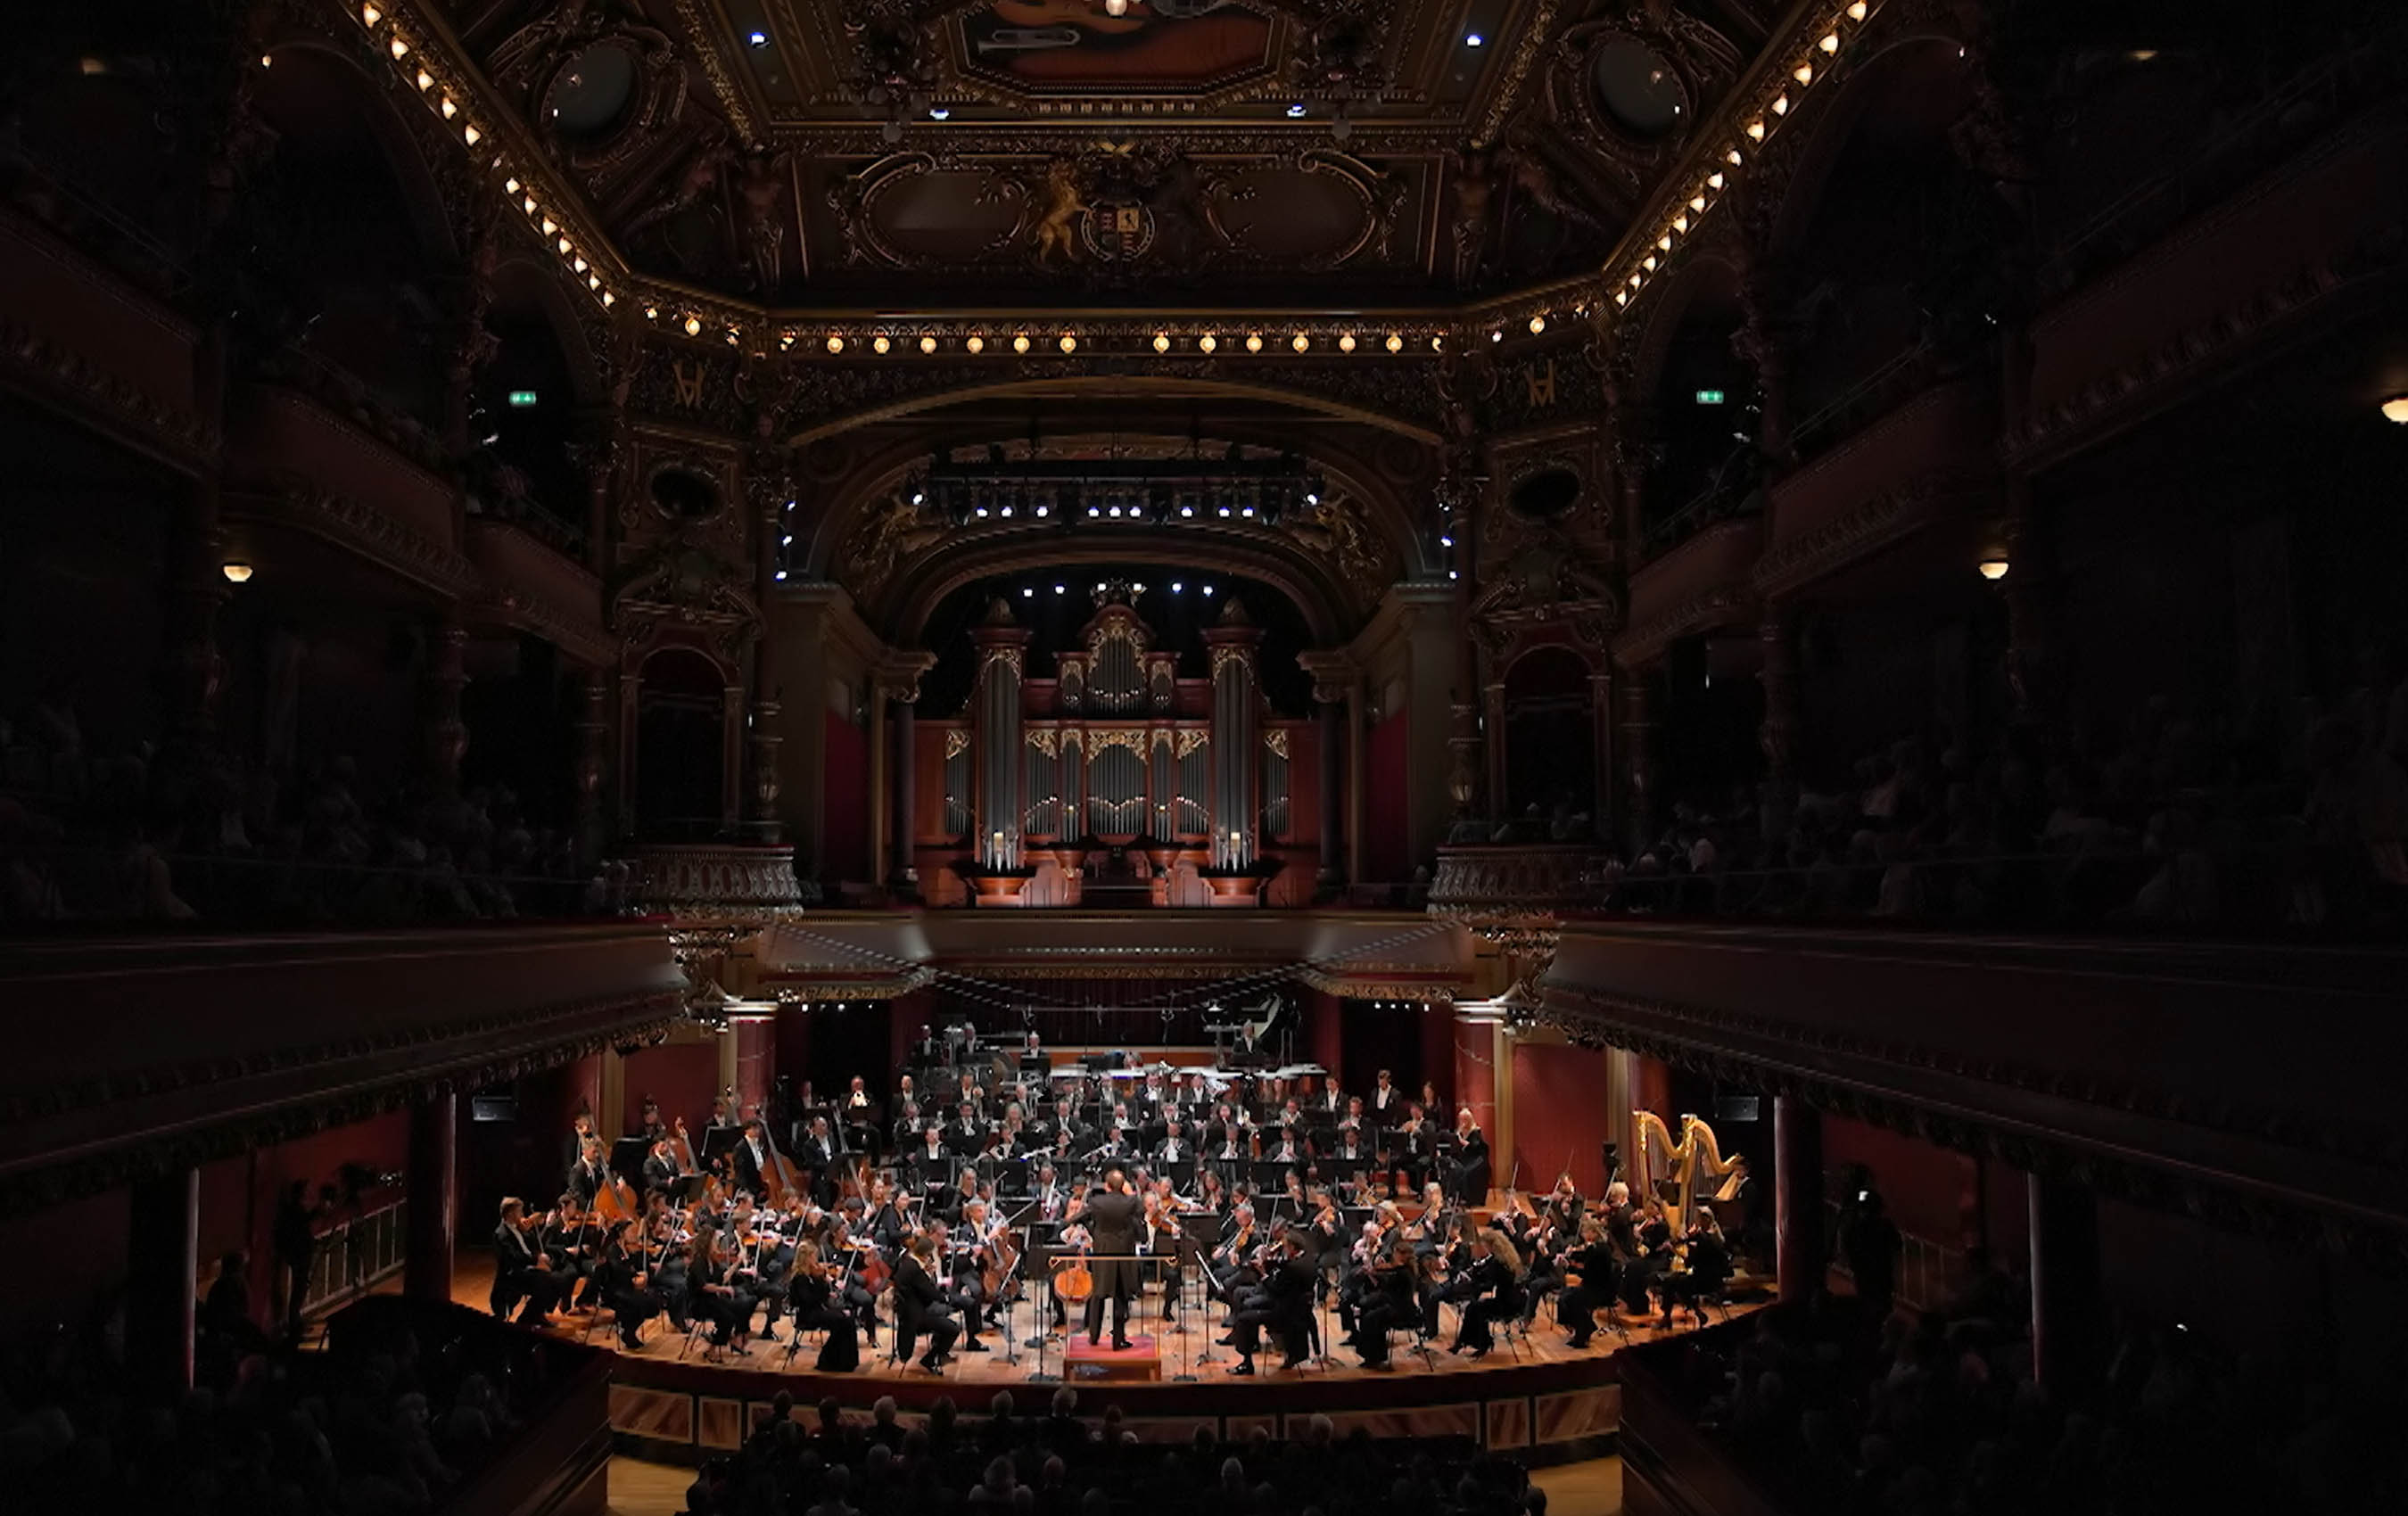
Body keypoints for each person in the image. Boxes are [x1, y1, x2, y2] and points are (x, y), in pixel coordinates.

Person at [1081, 1167, 1142, 1350]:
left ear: (1107, 1185)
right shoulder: (1132, 1202)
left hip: (1103, 1253)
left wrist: (1095, 1231)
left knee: (1097, 1294)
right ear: (1123, 1185)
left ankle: (1093, 1336)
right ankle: (1118, 1340)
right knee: (1120, 1296)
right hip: (1124, 1254)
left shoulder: (1096, 1201)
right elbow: (1139, 1221)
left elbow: (1080, 1217)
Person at [1452, 1226, 1523, 1357]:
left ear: (1493, 1246)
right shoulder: (1506, 1259)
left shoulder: (1499, 1263)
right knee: (1475, 1308)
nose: (1485, 1250)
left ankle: (1479, 1343)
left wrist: (1473, 1281)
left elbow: (1489, 1283)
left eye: (1486, 1246)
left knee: (1475, 1309)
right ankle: (1470, 1342)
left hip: (1507, 1304)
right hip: (1513, 1300)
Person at [893, 1232, 961, 1372]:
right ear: (925, 1254)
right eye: (929, 1254)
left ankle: (936, 1356)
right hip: (916, 1316)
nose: (930, 1257)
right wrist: (946, 1298)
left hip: (911, 1310)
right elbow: (930, 1292)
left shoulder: (908, 1262)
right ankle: (930, 1359)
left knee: (944, 1316)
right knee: (953, 1329)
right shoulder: (914, 1269)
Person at [491, 1197, 565, 1322]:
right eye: (519, 1211)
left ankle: (535, 1315)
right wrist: (536, 1261)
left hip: (527, 1269)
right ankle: (526, 1320)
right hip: (514, 1274)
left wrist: (536, 1230)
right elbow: (514, 1258)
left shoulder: (518, 1228)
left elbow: (533, 1246)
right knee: (546, 1283)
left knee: (558, 1281)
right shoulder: (501, 1234)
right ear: (510, 1213)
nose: (522, 1215)